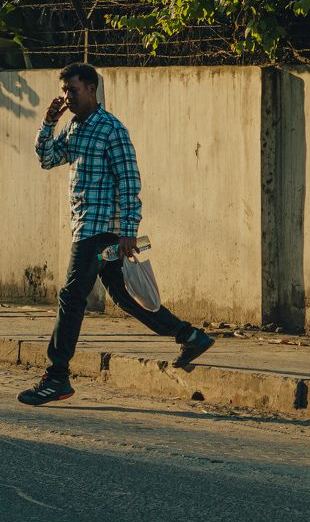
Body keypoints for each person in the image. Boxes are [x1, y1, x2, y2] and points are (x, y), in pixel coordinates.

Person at [18, 63, 215, 406]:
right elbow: (47, 158)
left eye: (73, 91)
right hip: (86, 226)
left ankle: (57, 375)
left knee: (71, 296)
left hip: (100, 231)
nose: (67, 97)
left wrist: (128, 231)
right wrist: (49, 123)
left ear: (92, 90)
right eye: (64, 91)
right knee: (124, 297)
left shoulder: (112, 130)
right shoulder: (74, 127)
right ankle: (190, 335)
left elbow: (129, 181)